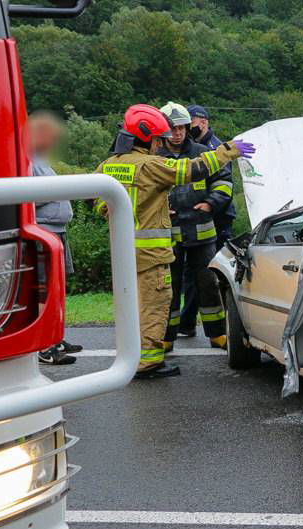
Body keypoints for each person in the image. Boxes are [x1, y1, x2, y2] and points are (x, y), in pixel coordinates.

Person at [94, 104, 254, 379]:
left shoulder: (110, 165)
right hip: (150, 253)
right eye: (157, 139)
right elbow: (191, 170)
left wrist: (111, 208)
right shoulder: (149, 165)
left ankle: (138, 357)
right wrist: (228, 150)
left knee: (132, 306)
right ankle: (148, 364)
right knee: (155, 304)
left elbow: (97, 197)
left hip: (124, 252)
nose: (160, 144)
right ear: (145, 139)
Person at [157, 102, 231, 351]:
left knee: (208, 284)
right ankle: (167, 337)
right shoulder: (154, 157)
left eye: (181, 128)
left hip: (203, 233)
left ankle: (217, 334)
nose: (177, 133)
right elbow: (143, 190)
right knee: (170, 287)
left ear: (188, 127)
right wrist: (157, 208)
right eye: (171, 128)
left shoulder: (201, 152)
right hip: (169, 235)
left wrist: (211, 204)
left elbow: (224, 181)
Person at [177, 104, 236, 337]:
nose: (192, 126)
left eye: (194, 122)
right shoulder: (183, 149)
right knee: (192, 276)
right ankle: (187, 322)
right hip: (193, 219)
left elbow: (223, 180)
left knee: (209, 276)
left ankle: (213, 327)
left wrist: (210, 204)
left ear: (205, 122)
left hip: (215, 219)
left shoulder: (213, 147)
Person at [29, 111, 83, 365]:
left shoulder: (41, 160)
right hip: (45, 231)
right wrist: (54, 193)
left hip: (58, 231)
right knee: (45, 290)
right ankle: (44, 347)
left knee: (58, 289)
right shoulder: (28, 160)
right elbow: (27, 197)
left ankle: (56, 337)